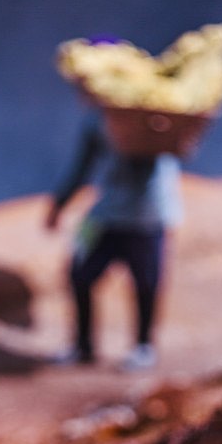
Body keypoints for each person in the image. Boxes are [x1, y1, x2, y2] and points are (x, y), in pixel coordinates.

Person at [45, 108, 182, 370]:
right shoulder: (98, 120)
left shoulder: (162, 118)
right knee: (79, 274)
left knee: (146, 282)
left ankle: (143, 346)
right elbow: (83, 165)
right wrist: (60, 204)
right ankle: (82, 345)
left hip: (148, 216)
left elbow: (162, 153)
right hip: (104, 214)